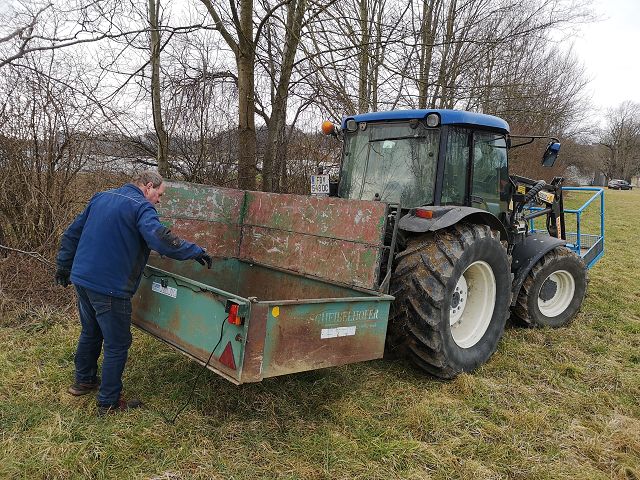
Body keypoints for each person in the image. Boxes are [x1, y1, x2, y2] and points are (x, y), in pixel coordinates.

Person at [55, 171, 212, 415]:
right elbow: (160, 239)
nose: (158, 200)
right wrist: (195, 251)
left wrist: (64, 266)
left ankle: (84, 380)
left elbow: (72, 233)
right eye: (159, 195)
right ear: (148, 186)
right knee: (117, 343)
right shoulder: (141, 207)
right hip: (109, 287)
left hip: (83, 280)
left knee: (91, 330)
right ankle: (108, 402)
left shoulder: (101, 197)